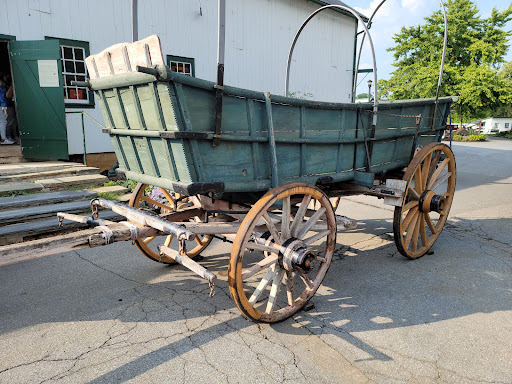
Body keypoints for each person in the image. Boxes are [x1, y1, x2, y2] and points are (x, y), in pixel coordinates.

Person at [2, 73, 18, 144]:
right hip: (6, 105)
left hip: (11, 104)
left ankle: (14, 136)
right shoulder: (3, 86)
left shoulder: (7, 85)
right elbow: (7, 96)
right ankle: (8, 137)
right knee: (8, 121)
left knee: (14, 121)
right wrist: (12, 86)